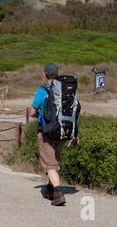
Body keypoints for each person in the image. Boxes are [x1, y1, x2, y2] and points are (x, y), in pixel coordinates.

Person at [29, 63, 79, 206]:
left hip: (47, 132)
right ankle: (49, 190)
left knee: (50, 165)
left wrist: (41, 116)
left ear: (45, 75)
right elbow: (74, 113)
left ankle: (58, 193)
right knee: (55, 161)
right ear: (57, 75)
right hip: (64, 131)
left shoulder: (42, 91)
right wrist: (75, 135)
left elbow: (32, 112)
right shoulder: (66, 91)